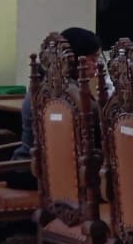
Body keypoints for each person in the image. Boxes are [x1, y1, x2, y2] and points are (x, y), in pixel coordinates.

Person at [13, 27, 105, 188]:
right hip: (43, 174)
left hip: (23, 166)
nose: (97, 65)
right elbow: (101, 124)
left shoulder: (41, 85)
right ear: (76, 58)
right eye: (93, 58)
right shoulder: (70, 94)